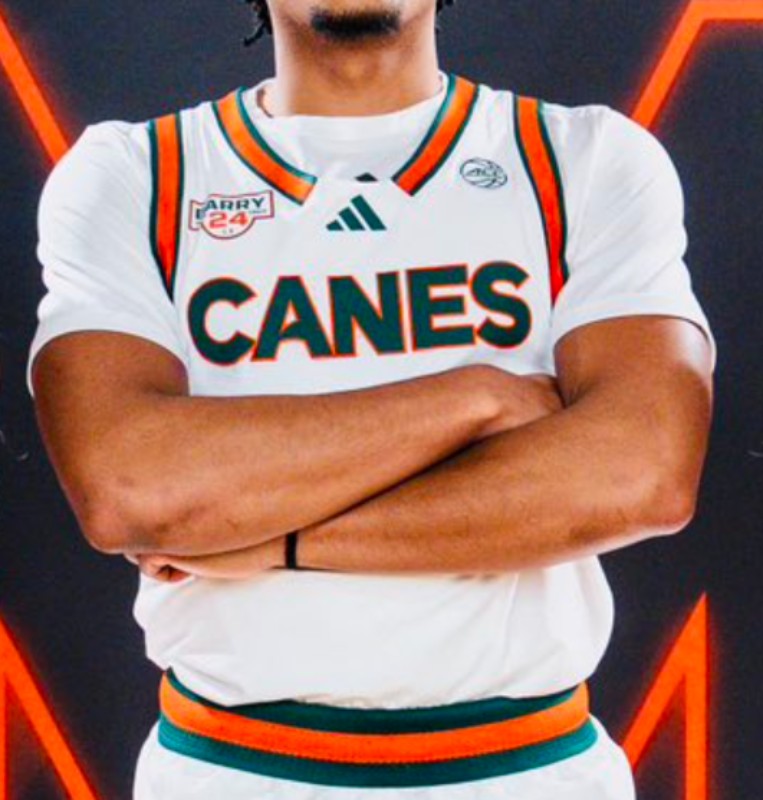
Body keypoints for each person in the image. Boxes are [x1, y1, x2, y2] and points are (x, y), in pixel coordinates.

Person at [27, 1, 715, 798]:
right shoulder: (135, 172)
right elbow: (132, 488)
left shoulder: (581, 158)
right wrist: (476, 395)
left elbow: (638, 474)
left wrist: (277, 542)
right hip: (231, 768)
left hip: (529, 766)